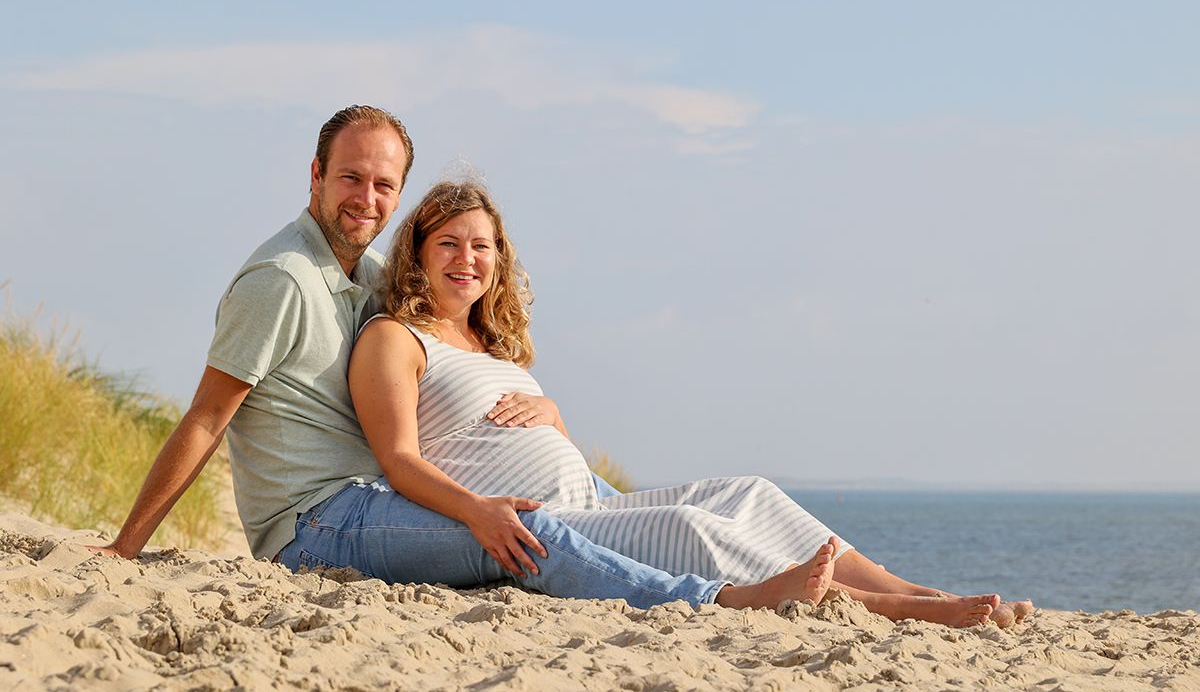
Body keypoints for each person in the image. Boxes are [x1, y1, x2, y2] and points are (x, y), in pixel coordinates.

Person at [90, 104, 841, 614]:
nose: (367, 197)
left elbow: (450, 329)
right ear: (314, 175)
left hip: (377, 501)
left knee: (675, 504)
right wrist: (125, 550)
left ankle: (871, 591)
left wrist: (541, 409)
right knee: (525, 540)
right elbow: (207, 417)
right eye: (350, 177)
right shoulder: (280, 280)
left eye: (385, 185)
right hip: (316, 524)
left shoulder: (371, 273)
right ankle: (721, 602)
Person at [349, 179, 1034, 628]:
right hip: (551, 529)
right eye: (449, 244)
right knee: (685, 526)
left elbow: (518, 433)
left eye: (481, 246)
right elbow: (399, 459)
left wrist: (553, 414)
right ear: (418, 253)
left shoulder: (492, 344)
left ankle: (915, 590)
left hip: (592, 501)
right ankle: (888, 609)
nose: (466, 259)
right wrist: (475, 510)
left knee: (749, 491)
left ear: (499, 258)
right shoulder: (395, 338)